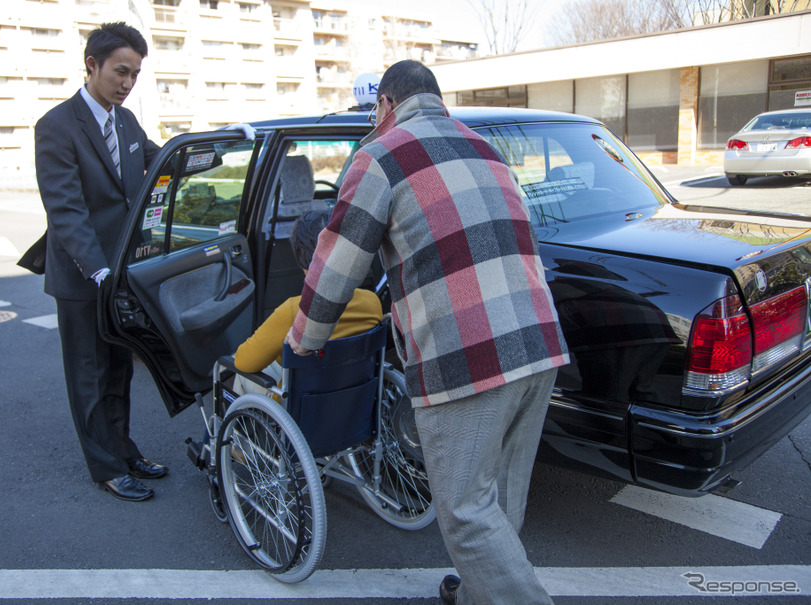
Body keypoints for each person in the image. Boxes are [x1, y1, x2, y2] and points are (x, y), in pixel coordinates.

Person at [284, 60, 569, 604]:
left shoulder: (380, 155)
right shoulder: (485, 148)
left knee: (464, 513)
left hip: (469, 357)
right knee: (500, 496)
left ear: (386, 105)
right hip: (540, 341)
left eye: (375, 110)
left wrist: (305, 338)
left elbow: (337, 263)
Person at [34, 22, 164, 502]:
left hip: (120, 270)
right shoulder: (56, 126)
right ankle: (106, 466)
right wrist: (99, 270)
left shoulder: (125, 121)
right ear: (92, 65)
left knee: (119, 368)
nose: (128, 83)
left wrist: (220, 143)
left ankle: (125, 450)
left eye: (135, 75)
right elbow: (65, 210)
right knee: (89, 373)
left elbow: (161, 160)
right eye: (120, 72)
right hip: (82, 274)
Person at [234, 210, 381, 389]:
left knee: (239, 371)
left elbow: (244, 363)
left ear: (301, 259)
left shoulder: (293, 311)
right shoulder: (372, 302)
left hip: (298, 406)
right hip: (352, 396)